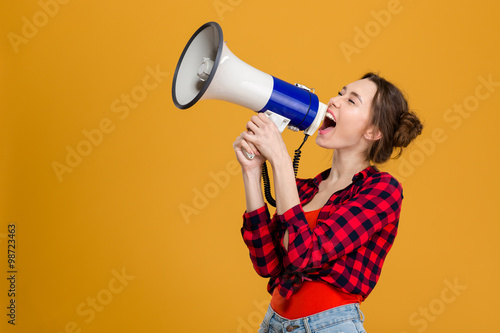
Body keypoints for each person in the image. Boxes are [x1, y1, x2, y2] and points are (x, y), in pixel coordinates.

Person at [233, 72, 423, 333]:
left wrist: (280, 161)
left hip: (328, 326)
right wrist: (252, 172)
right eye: (341, 93)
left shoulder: (382, 191)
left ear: (373, 131)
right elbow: (267, 263)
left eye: (352, 101)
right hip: (273, 324)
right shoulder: (303, 190)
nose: (335, 100)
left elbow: (304, 255)